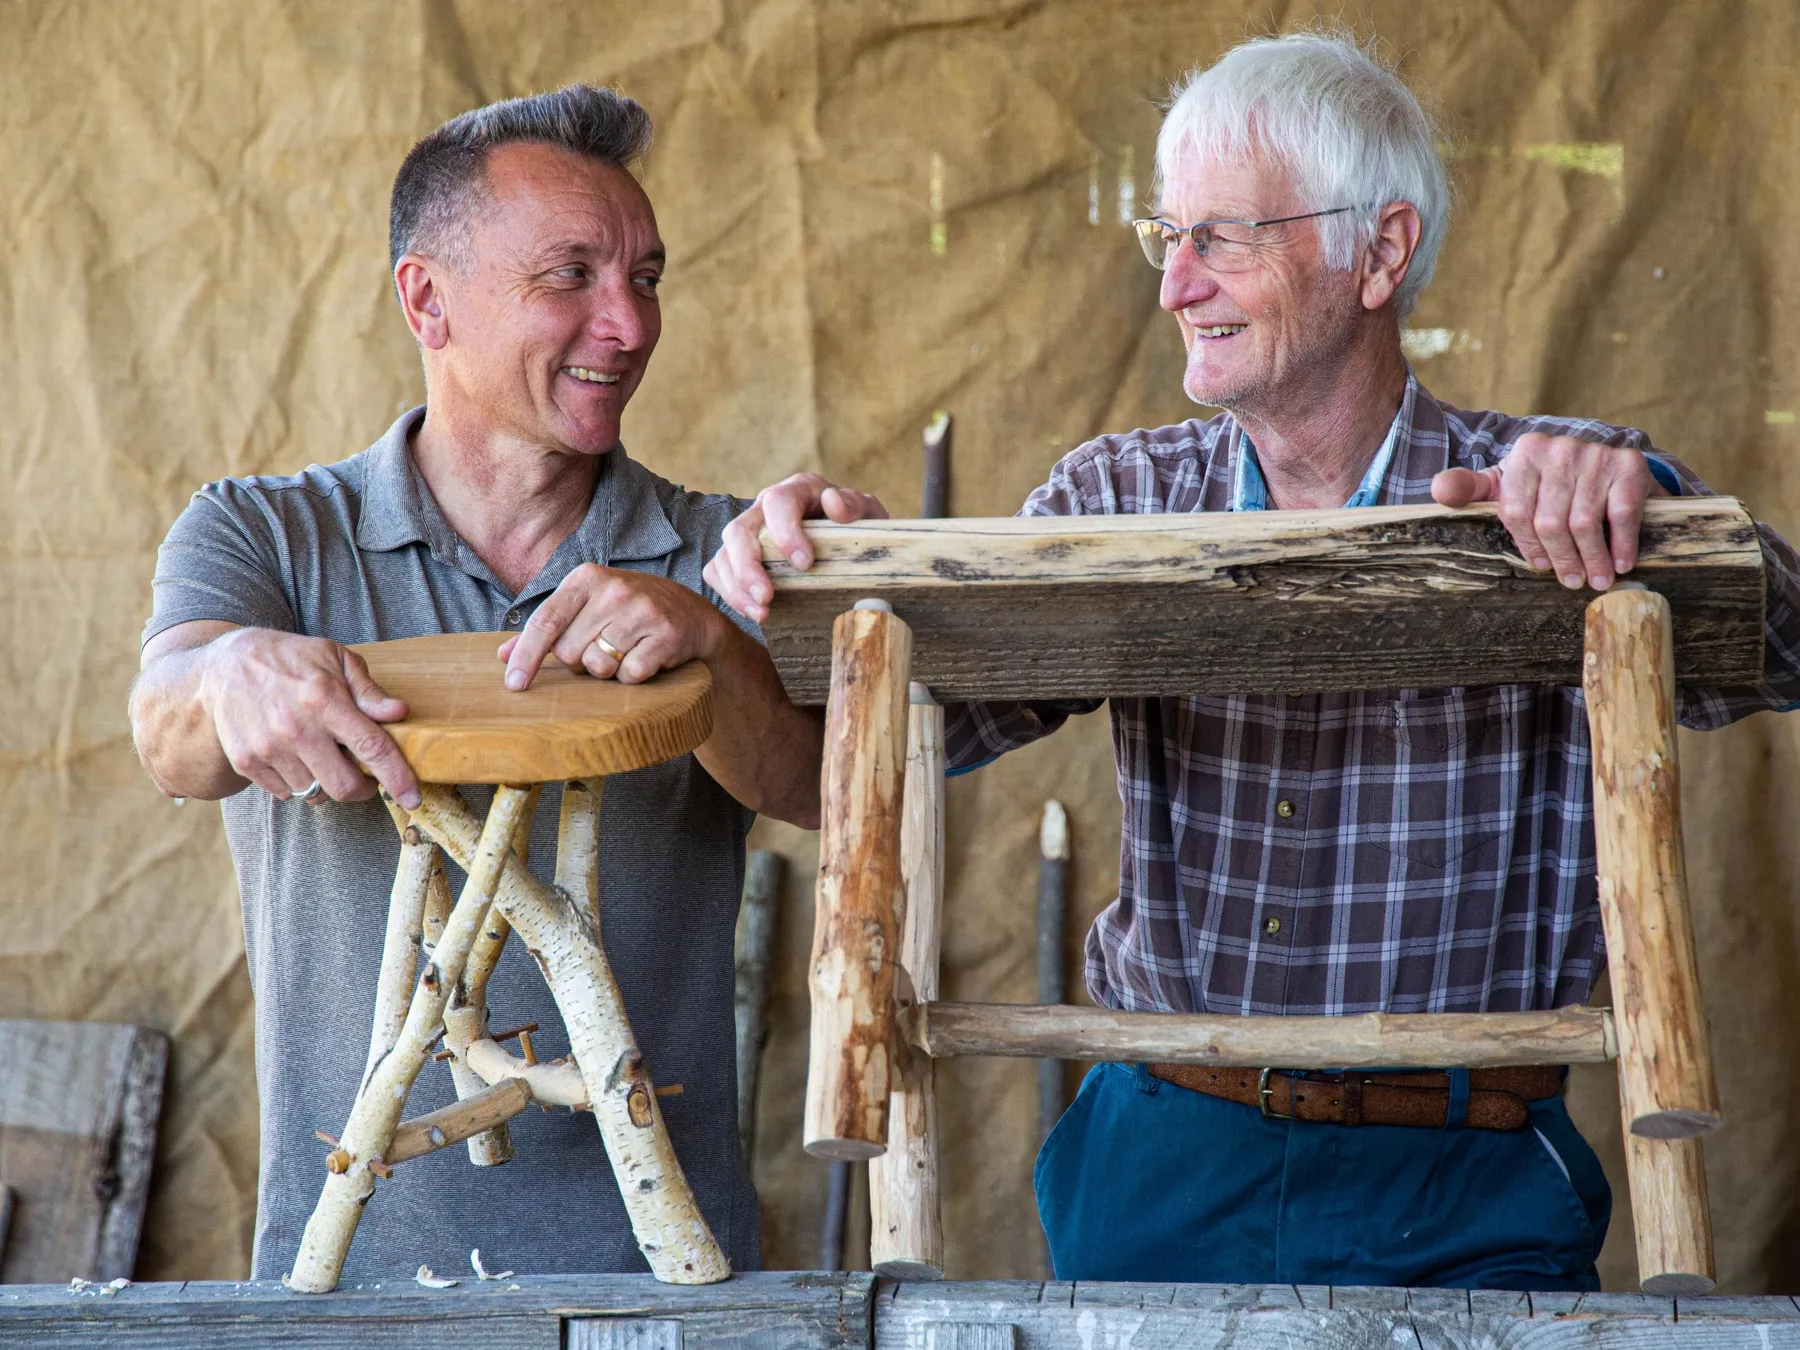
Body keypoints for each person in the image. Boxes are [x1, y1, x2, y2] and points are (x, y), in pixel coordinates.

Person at [706, 32, 1800, 1290]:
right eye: (1166, 237)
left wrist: (1646, 508)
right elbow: (912, 730)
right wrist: (801, 578)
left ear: (1379, 253)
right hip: (1163, 1155)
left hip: (1463, 1175)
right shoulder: (1118, 494)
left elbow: (1784, 644)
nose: (1175, 287)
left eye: (1220, 238)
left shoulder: (1543, 490)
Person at [128, 85, 822, 1280]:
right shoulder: (270, 536)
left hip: (664, 1278)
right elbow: (169, 730)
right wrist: (231, 668)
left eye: (646, 278)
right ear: (427, 299)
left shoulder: (719, 550)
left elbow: (829, 793)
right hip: (350, 1271)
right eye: (572, 277)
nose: (631, 324)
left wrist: (713, 640)